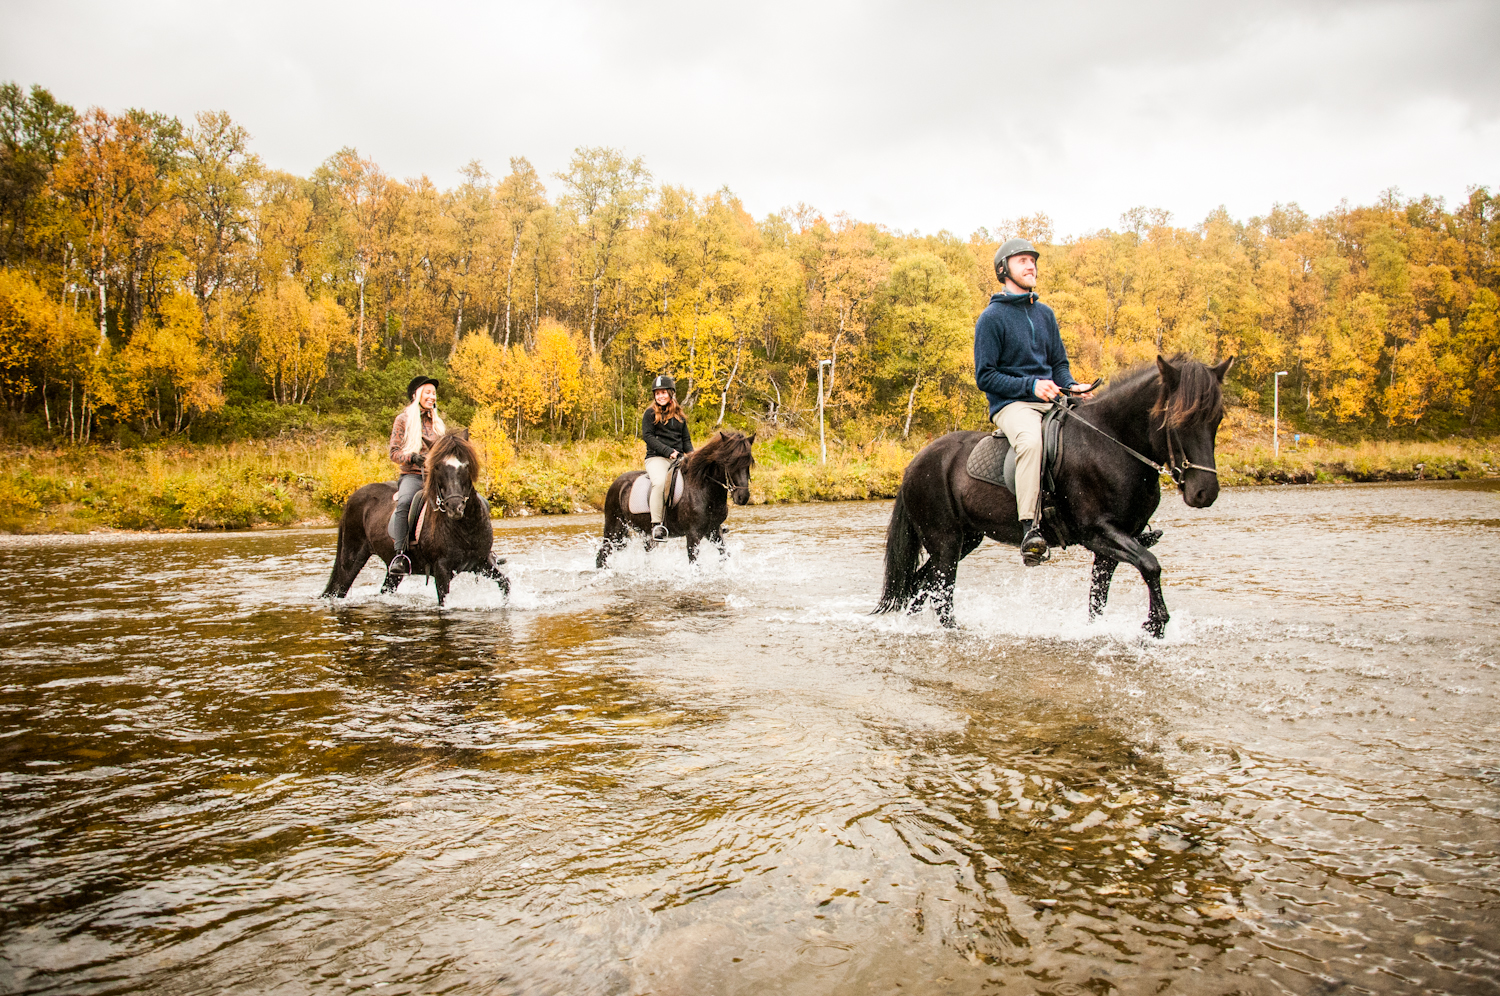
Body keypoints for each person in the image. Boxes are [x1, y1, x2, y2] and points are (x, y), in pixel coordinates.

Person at [974, 237, 1091, 567]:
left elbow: (1059, 365)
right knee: (1030, 442)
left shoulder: (1045, 314)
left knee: (1095, 430)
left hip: (1052, 398)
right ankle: (1030, 529)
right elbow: (985, 377)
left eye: (1033, 260)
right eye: (1022, 260)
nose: (1031, 265)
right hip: (1013, 404)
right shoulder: (991, 319)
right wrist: (1031, 385)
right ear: (1004, 269)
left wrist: (1073, 386)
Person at [386, 375, 446, 579]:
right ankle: (400, 555)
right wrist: (412, 457)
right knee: (405, 502)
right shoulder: (402, 420)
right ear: (416, 395)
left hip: (436, 476)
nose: (432, 396)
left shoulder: (437, 422)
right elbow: (393, 452)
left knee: (466, 496)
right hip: (412, 475)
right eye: (427, 392)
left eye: (434, 393)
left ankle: (481, 551)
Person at [640, 375, 693, 542]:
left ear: (671, 394)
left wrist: (692, 457)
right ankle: (656, 525)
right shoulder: (649, 414)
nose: (660, 396)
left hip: (679, 458)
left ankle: (710, 521)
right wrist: (668, 451)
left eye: (663, 393)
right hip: (657, 458)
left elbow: (686, 441)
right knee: (660, 482)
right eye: (657, 393)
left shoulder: (680, 417)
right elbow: (648, 437)